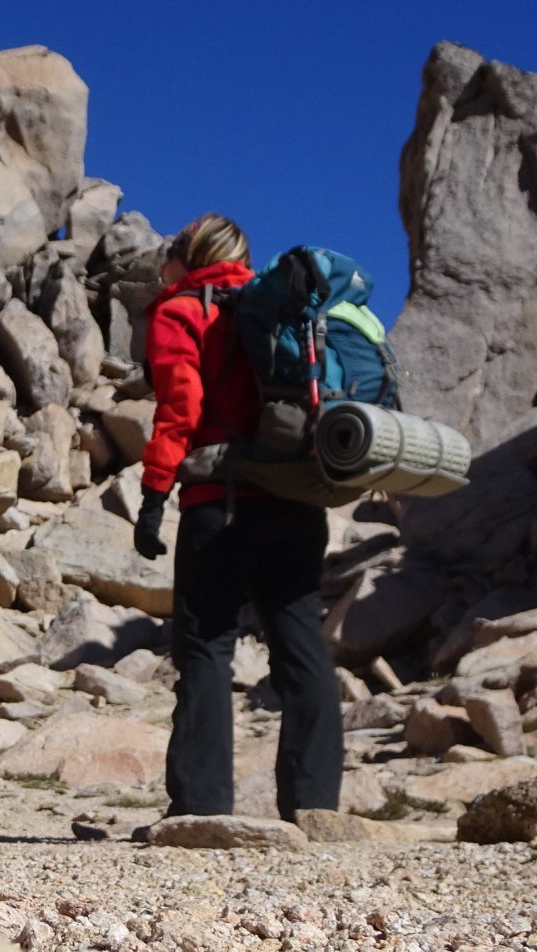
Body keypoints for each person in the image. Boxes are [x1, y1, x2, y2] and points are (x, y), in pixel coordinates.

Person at [132, 214, 343, 822]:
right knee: (301, 646)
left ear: (191, 253)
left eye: (174, 247)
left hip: (220, 503)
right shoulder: (282, 312)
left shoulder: (182, 312)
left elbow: (181, 409)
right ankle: (314, 808)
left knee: (206, 646)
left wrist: (154, 494)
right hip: (298, 498)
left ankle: (201, 809)